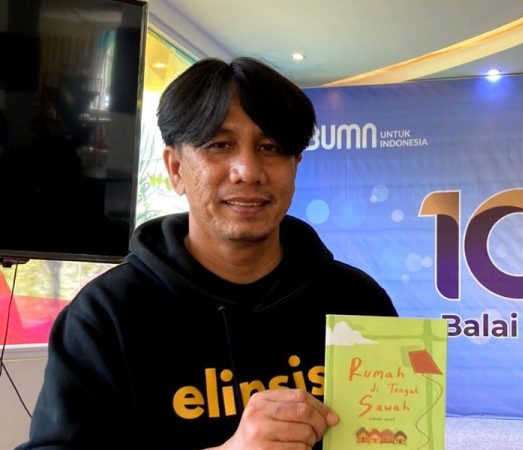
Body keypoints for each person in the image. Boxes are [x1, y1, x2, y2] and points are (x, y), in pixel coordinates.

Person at [17, 57, 398, 450]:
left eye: (270, 147)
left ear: (294, 166)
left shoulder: (358, 301)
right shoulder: (105, 316)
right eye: (219, 145)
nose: (248, 171)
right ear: (176, 168)